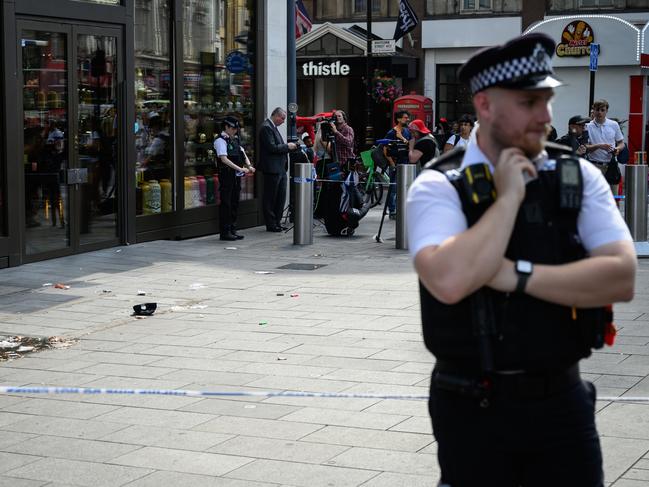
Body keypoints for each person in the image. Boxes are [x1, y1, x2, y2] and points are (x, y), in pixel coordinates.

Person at [407, 33, 637, 486]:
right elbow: (450, 281)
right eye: (530, 102)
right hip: (472, 406)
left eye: (547, 100)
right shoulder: (439, 185)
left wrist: (515, 275)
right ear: (486, 105)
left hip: (562, 402)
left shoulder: (575, 174)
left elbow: (621, 276)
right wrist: (509, 197)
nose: (545, 116)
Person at [214, 116, 254, 241]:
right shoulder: (220, 141)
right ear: (226, 127)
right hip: (226, 175)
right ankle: (225, 232)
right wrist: (240, 169)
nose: (235, 131)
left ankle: (232, 229)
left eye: (236, 128)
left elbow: (242, 153)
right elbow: (223, 159)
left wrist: (249, 165)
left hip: (236, 176)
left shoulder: (234, 140)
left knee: (234, 203)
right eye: (233, 128)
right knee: (226, 203)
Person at [258, 107, 297, 232]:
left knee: (280, 197)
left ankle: (277, 222)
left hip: (280, 168)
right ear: (276, 116)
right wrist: (287, 146)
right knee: (270, 198)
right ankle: (271, 224)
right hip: (272, 169)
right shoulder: (266, 127)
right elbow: (272, 147)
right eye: (282, 118)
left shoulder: (272, 127)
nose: (283, 121)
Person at [586, 99, 625, 194]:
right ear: (593, 110)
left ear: (606, 111)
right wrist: (599, 146)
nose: (599, 112)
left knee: (613, 197)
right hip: (594, 166)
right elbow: (585, 147)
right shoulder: (587, 126)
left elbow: (621, 143)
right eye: (597, 109)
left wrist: (618, 149)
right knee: (594, 197)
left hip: (611, 165)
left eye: (602, 110)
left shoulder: (613, 124)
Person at [384, 111, 411, 219]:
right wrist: (391, 163)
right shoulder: (391, 132)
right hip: (395, 163)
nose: (407, 119)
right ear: (399, 119)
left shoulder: (407, 132)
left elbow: (410, 146)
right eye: (405, 118)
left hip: (405, 163)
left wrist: (402, 138)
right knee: (394, 188)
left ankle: (401, 209)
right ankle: (392, 210)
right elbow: (385, 149)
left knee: (404, 187)